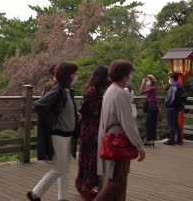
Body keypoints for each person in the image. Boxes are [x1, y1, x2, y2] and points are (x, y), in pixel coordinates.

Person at [27, 61, 79, 201]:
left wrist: (75, 114)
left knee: (64, 169)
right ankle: (35, 194)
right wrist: (53, 122)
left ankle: (63, 197)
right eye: (74, 74)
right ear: (67, 76)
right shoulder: (58, 90)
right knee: (59, 169)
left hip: (67, 135)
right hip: (59, 135)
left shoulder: (68, 91)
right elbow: (40, 105)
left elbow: (64, 108)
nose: (76, 76)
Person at [95, 60, 145, 201]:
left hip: (109, 138)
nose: (131, 76)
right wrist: (139, 146)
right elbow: (128, 123)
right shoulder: (120, 93)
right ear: (124, 76)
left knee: (117, 179)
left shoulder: (110, 90)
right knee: (117, 181)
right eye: (130, 74)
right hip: (118, 140)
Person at [75, 65, 110, 201]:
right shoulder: (93, 91)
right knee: (91, 156)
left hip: (90, 126)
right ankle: (88, 185)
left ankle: (85, 183)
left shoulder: (95, 89)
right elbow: (87, 110)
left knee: (88, 155)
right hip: (91, 127)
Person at [140, 74, 160, 147]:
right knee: (152, 123)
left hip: (151, 106)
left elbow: (141, 92)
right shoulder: (154, 88)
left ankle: (150, 140)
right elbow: (156, 99)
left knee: (149, 123)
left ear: (151, 80)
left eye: (147, 80)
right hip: (153, 106)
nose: (146, 81)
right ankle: (151, 140)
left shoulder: (152, 88)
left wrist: (142, 83)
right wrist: (159, 108)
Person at [164, 72, 183, 145]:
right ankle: (179, 139)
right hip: (177, 107)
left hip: (171, 107)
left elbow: (171, 98)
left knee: (171, 124)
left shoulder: (173, 87)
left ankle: (171, 140)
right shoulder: (179, 86)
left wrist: (166, 103)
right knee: (176, 123)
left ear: (172, 79)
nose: (169, 80)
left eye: (169, 78)